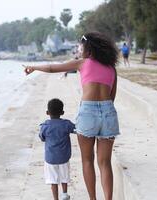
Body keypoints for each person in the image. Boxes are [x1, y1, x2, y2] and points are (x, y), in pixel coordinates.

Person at [25, 31, 120, 200]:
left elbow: (53, 68)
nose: (78, 48)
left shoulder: (82, 63)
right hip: (108, 112)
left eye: (80, 46)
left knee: (87, 160)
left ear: (88, 49)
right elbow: (111, 98)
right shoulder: (112, 68)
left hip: (88, 113)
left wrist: (34, 67)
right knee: (105, 163)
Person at [39, 98, 75, 200]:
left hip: (50, 159)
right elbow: (76, 129)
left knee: (52, 180)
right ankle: (64, 194)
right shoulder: (66, 124)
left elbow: (42, 138)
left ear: (47, 112)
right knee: (64, 177)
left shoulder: (45, 126)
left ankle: (56, 198)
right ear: (62, 112)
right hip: (64, 157)